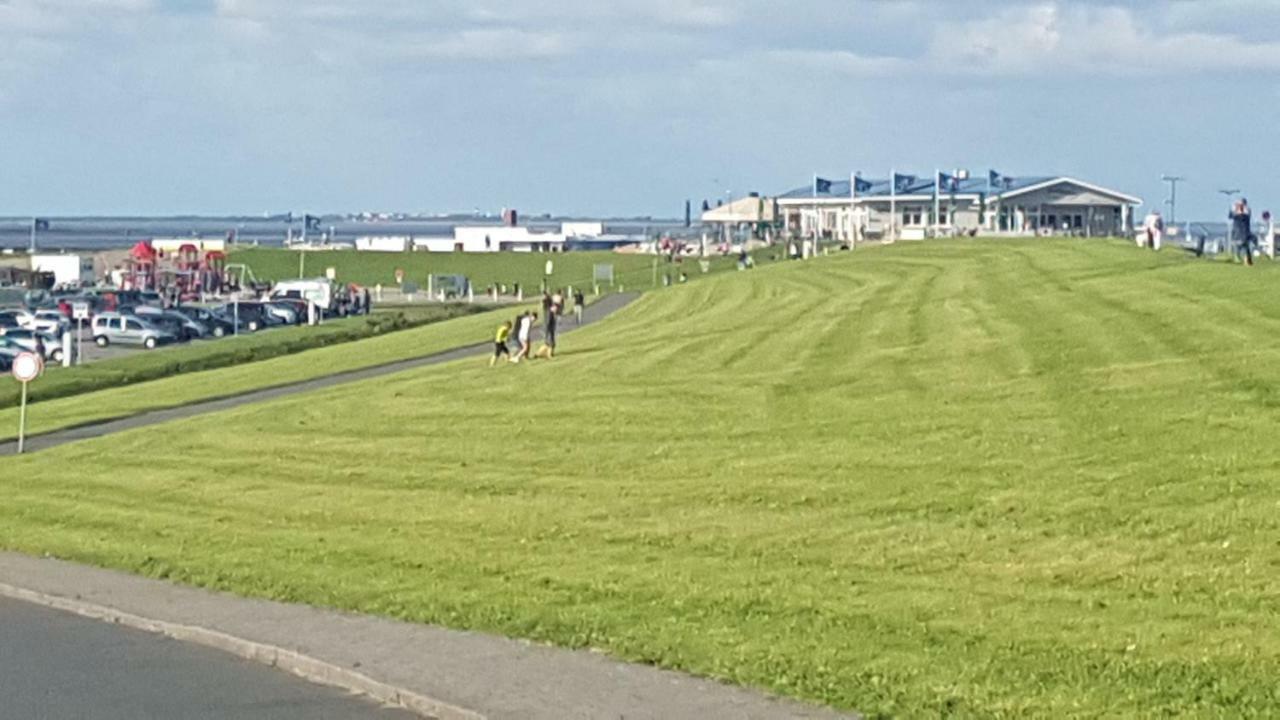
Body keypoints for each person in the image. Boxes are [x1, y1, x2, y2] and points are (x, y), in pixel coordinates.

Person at [1230, 199, 1254, 266]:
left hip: (1243, 234)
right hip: (1239, 233)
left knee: (1244, 248)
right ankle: (1244, 260)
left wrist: (1237, 208)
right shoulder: (1238, 214)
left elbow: (1234, 215)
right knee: (1242, 248)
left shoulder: (1245, 213)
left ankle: (1246, 261)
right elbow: (1231, 215)